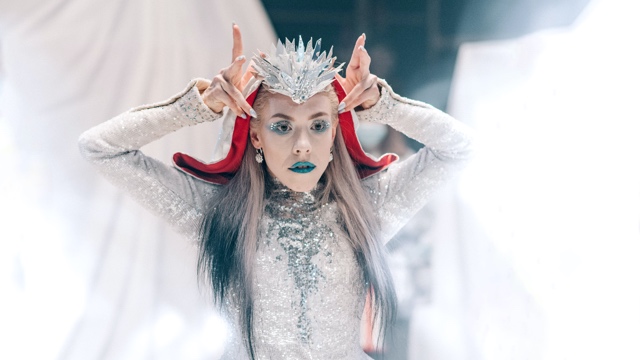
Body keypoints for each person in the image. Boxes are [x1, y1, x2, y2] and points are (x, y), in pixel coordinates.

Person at [78, 24, 474, 360]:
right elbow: (100, 148)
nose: (303, 145)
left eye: (318, 126)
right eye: (282, 127)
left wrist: (381, 104)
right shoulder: (219, 213)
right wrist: (199, 105)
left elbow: (458, 148)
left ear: (335, 132)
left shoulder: (368, 207)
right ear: (255, 135)